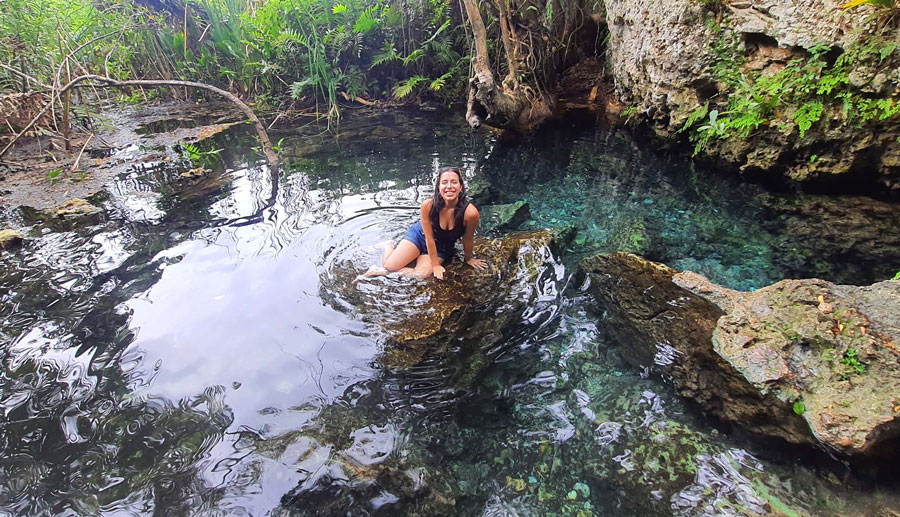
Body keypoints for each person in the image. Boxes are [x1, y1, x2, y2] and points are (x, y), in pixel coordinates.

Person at [362, 167, 487, 280]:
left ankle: (382, 272)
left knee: (420, 275)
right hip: (420, 236)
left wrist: (469, 258)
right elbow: (429, 237)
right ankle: (388, 246)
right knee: (390, 265)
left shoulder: (470, 213)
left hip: (441, 247)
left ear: (460, 187)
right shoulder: (428, 205)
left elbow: (468, 238)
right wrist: (436, 265)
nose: (449, 186)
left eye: (454, 182)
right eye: (444, 182)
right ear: (438, 187)